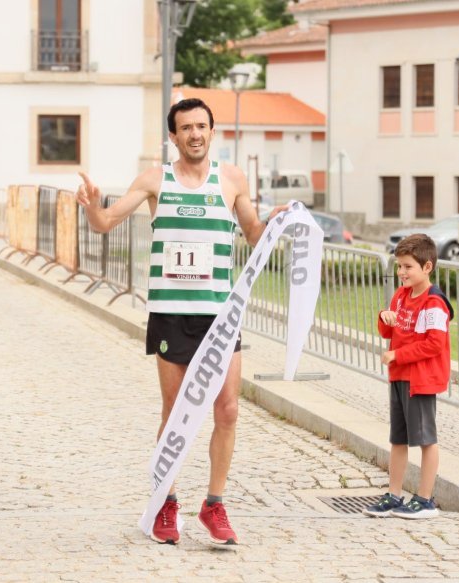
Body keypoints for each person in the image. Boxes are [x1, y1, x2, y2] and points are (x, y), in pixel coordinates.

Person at [77, 98, 285, 546]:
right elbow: (105, 223)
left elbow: (252, 232)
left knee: (227, 409)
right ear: (173, 136)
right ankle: (165, 502)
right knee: (174, 415)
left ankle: (214, 504)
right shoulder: (156, 180)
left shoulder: (232, 179)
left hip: (220, 316)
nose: (195, 134)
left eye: (202, 126)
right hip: (172, 314)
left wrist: (277, 223)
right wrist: (94, 207)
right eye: (186, 127)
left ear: (213, 131)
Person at [363, 234, 453, 520]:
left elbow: (434, 343)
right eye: (399, 266)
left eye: (407, 267)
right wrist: (384, 317)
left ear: (427, 267)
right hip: (399, 377)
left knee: (426, 438)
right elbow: (389, 332)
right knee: (398, 438)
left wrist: (398, 356)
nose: (401, 272)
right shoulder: (401, 296)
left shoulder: (434, 303)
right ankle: (394, 494)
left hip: (420, 380)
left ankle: (425, 499)